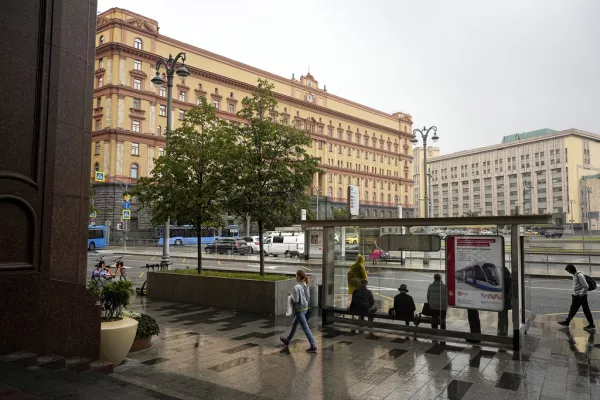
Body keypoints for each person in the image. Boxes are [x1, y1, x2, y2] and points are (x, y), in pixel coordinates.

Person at [281, 270, 317, 353]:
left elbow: (296, 300)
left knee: (305, 328)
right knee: (294, 324)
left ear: (298, 277)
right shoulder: (305, 285)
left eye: (296, 275)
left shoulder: (296, 287)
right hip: (305, 309)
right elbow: (307, 297)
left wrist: (290, 297)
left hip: (299, 311)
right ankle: (287, 340)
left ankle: (313, 345)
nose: (295, 277)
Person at [558, 264, 595, 331]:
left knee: (586, 310)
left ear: (571, 269)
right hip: (576, 296)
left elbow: (586, 286)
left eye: (568, 270)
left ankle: (591, 324)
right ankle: (567, 322)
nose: (568, 272)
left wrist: (580, 294)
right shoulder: (574, 275)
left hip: (581, 296)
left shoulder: (579, 275)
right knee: (573, 309)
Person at [497, 266, 512, 336]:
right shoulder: (506, 272)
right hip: (506, 299)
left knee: (501, 316)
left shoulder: (502, 273)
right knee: (504, 315)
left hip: (503, 299)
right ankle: (503, 331)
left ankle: (502, 332)